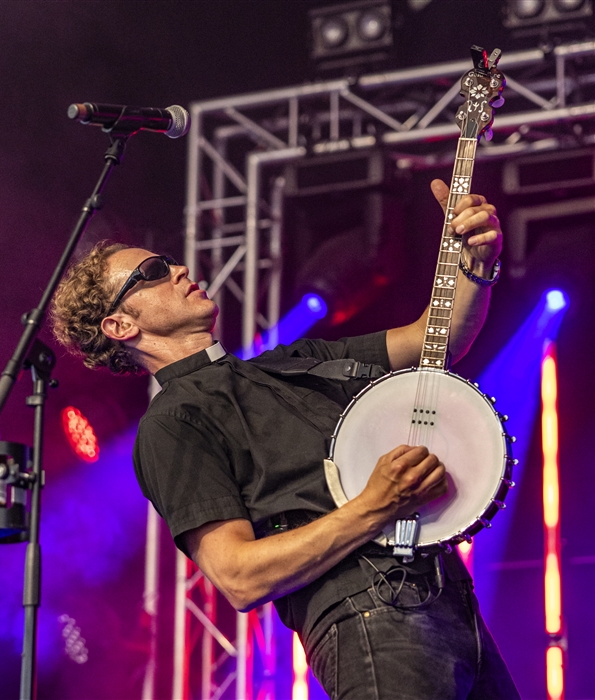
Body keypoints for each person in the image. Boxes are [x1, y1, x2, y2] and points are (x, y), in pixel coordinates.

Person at [51, 179, 520, 699]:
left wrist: (475, 264)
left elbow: (439, 338)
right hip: (367, 614)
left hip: (456, 604)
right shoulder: (173, 422)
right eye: (153, 273)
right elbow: (238, 577)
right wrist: (373, 506)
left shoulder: (293, 362)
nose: (179, 269)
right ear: (119, 325)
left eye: (169, 261)